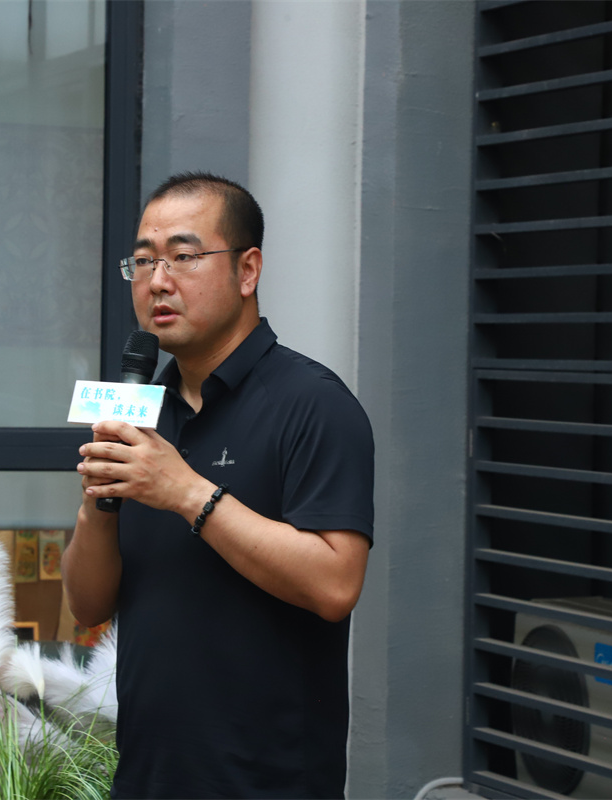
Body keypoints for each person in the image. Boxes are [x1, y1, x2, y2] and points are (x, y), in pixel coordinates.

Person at [63, 172, 374, 799]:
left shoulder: (314, 405)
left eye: (183, 256)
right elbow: (88, 605)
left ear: (247, 270)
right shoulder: (141, 412)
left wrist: (185, 492)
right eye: (143, 261)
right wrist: (98, 505)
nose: (158, 281)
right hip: (147, 780)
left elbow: (336, 585)